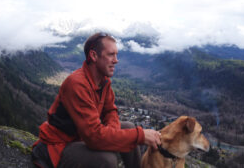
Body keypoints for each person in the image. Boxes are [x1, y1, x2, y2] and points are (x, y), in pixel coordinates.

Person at [31, 32, 162, 168]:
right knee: (107, 159)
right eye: (111, 54)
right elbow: (94, 137)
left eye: (116, 55)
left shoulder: (103, 81)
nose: (116, 60)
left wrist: (112, 132)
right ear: (93, 56)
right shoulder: (76, 84)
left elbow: (110, 111)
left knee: (128, 126)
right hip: (59, 146)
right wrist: (140, 136)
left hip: (81, 137)